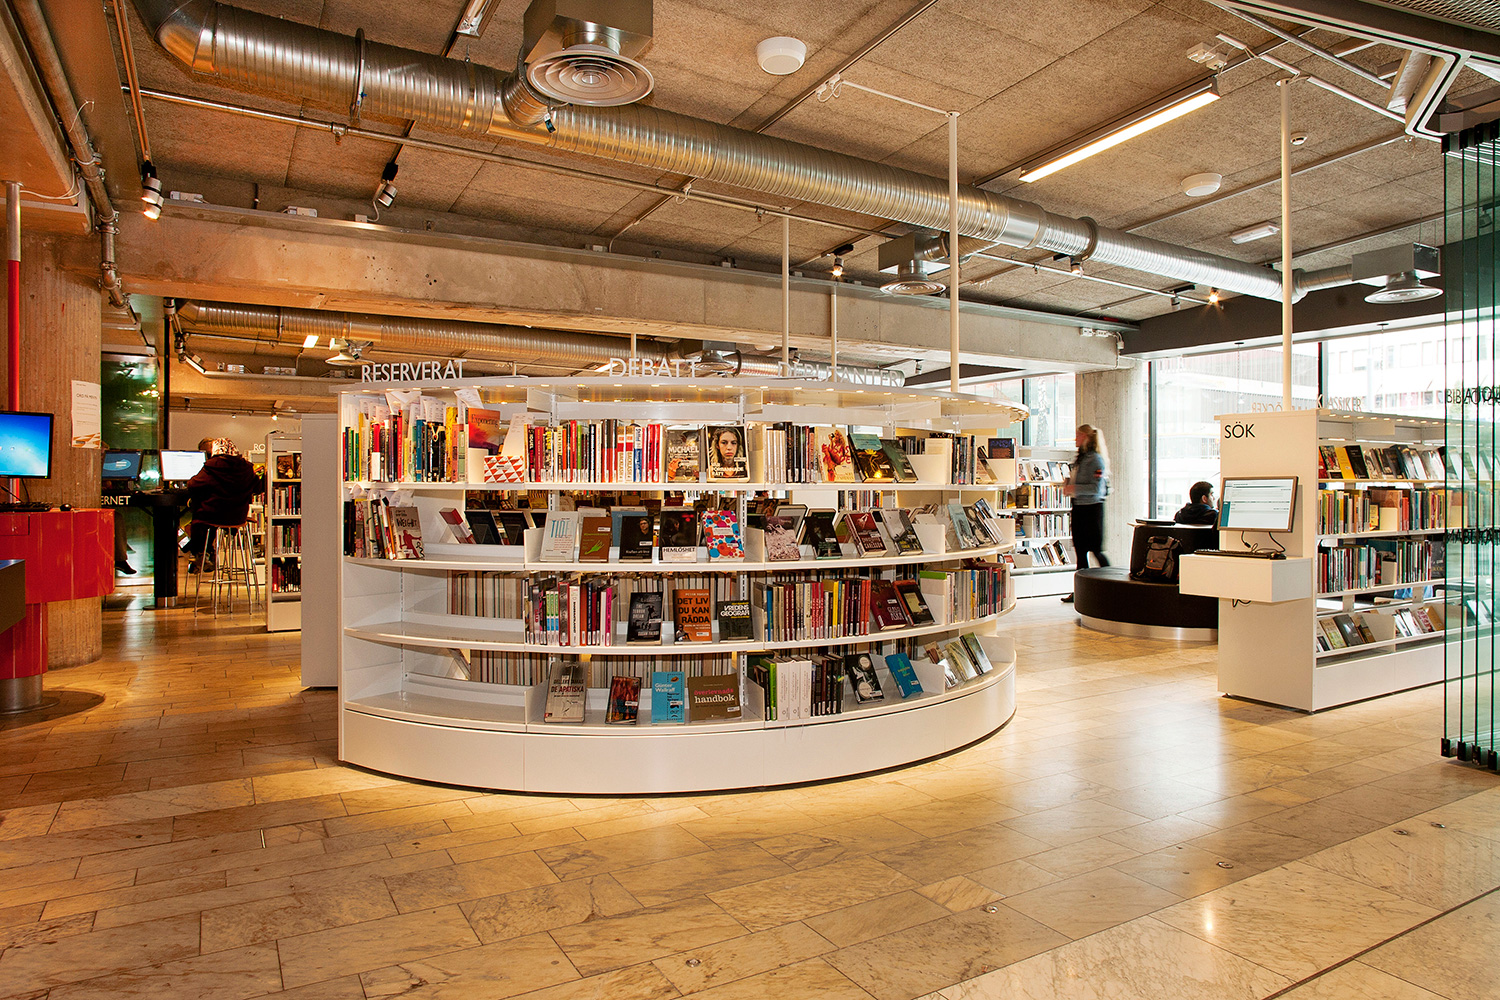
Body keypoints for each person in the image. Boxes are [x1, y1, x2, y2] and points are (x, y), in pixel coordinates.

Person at [183, 438, 261, 572]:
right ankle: (207, 553)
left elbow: (193, 484)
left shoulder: (212, 465)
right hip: (238, 517)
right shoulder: (247, 467)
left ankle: (201, 553)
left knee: (200, 520)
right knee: (210, 523)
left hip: (213, 515)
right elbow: (258, 488)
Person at [1062, 423, 1109, 603]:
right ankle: (1081, 593)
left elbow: (1097, 489)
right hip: (1079, 509)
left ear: (1087, 438)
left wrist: (1074, 488)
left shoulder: (1095, 460)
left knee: (1096, 551)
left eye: (1079, 435)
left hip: (1092, 511)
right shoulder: (1080, 459)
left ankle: (1112, 586)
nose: (1076, 439)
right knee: (1081, 553)